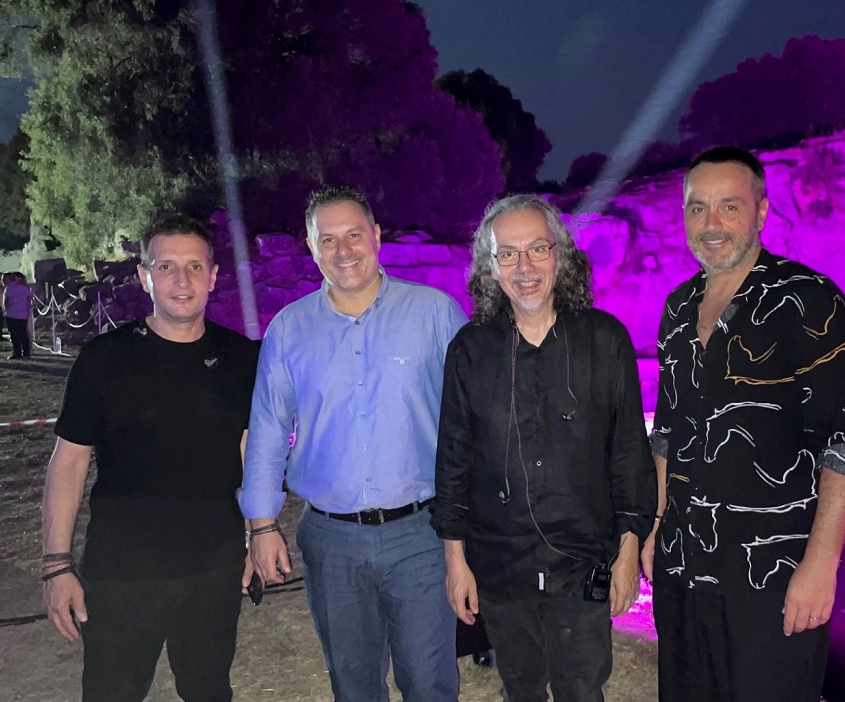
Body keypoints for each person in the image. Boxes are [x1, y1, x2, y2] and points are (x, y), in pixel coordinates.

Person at [642, 146, 845, 702]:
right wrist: (655, 526)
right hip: (683, 564)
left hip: (772, 574)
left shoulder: (809, 300)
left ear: (761, 211)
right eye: (698, 208)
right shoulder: (677, 309)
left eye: (729, 206)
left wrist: (821, 564)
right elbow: (667, 433)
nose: (712, 224)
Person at [241, 186, 466, 702]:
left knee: (429, 682)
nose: (343, 251)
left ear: (377, 235)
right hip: (331, 540)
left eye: (354, 235)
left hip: (421, 535)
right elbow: (268, 429)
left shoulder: (435, 315)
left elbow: (474, 418)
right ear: (311, 246)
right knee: (353, 685)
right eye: (328, 240)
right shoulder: (288, 330)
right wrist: (261, 524)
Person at [433, 194, 656, 702]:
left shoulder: (606, 340)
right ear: (490, 267)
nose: (525, 267)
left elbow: (629, 455)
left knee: (582, 689)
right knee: (521, 688)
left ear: (560, 255)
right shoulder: (469, 350)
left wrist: (628, 552)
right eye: (508, 254)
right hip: (500, 564)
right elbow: (453, 461)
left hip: (583, 562)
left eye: (537, 249)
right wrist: (455, 561)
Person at [40, 215, 261, 701]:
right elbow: (69, 463)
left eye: (194, 266)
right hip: (122, 571)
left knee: (209, 690)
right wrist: (56, 565)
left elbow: (249, 453)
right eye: (166, 266)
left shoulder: (242, 358)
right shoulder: (104, 359)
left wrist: (255, 536)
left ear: (213, 276)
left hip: (213, 567)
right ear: (144, 276)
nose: (182, 280)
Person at [3, 272, 35, 359]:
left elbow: (7, 300)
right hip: (23, 314)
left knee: (14, 334)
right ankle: (26, 352)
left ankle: (17, 353)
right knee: (23, 333)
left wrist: (6, 309)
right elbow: (29, 298)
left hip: (12, 313)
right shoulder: (25, 287)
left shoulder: (9, 288)